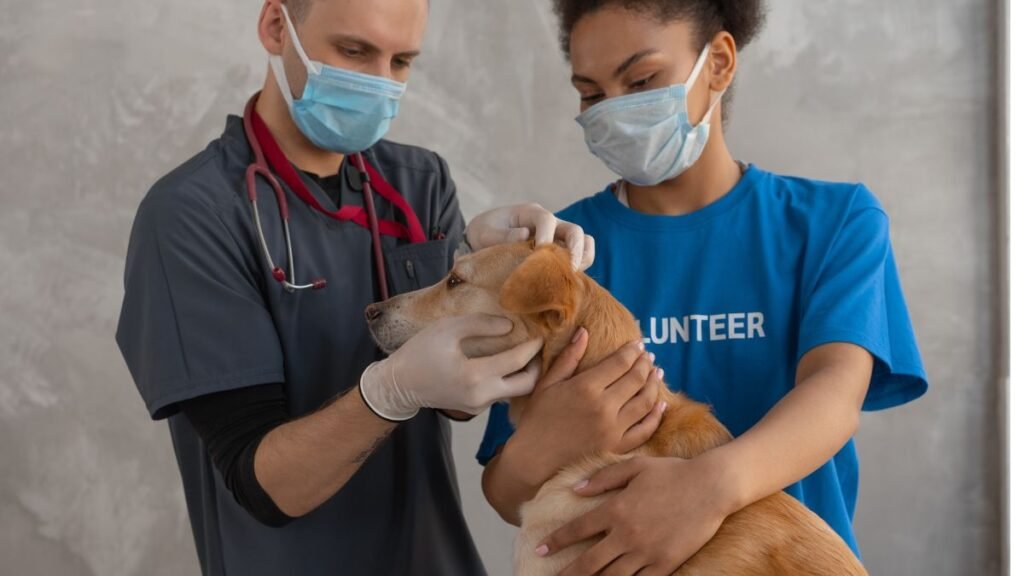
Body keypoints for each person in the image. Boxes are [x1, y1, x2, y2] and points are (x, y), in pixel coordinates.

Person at [115, 0, 665, 574]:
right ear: (277, 27)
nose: (379, 81)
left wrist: (489, 269)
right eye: (354, 51)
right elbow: (265, 486)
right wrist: (390, 391)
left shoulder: (419, 184)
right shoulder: (192, 215)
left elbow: (457, 395)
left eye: (401, 61)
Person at [478, 1, 929, 574]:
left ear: (718, 62)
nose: (614, 110)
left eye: (641, 81)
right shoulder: (560, 259)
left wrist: (705, 490)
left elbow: (835, 397)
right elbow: (506, 491)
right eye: (591, 94)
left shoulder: (833, 222)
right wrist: (540, 446)